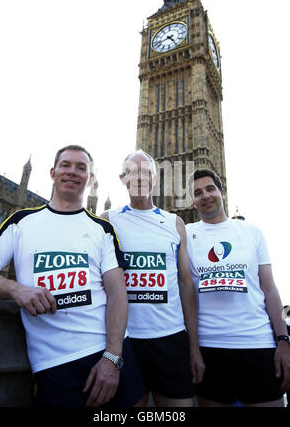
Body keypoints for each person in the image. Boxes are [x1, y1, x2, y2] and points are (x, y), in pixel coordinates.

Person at [0, 145, 145, 408]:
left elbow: (118, 292)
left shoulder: (102, 228)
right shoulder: (20, 222)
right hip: (54, 364)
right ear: (53, 172)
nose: (72, 172)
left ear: (90, 179)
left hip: (111, 353)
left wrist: (113, 356)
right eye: (66, 165)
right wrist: (17, 290)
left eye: (81, 168)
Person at [101, 150, 205, 407]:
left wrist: (194, 347)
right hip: (125, 342)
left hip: (170, 339)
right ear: (122, 178)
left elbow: (185, 285)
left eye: (146, 172)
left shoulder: (174, 223)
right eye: (132, 173)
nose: (139, 178)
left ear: (155, 179)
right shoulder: (106, 221)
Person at [186, 168, 290, 407]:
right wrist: (192, 350)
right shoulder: (186, 234)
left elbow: (270, 289)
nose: (205, 196)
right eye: (198, 192)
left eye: (210, 189)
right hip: (209, 347)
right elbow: (186, 293)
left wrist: (283, 340)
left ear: (222, 193)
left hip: (258, 343)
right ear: (192, 201)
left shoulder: (251, 232)